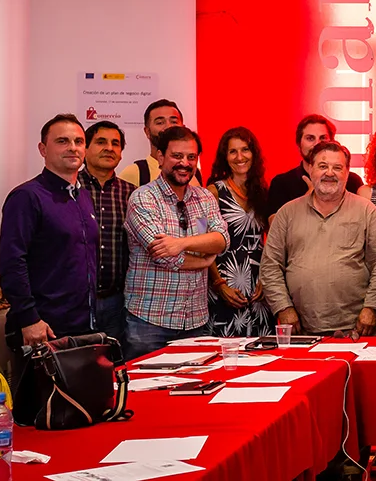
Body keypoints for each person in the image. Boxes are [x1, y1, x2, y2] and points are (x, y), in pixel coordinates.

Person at [0, 115, 100, 409]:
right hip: (43, 330)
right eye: (62, 141)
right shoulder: (27, 197)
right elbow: (11, 263)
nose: (73, 148)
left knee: (82, 415)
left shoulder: (82, 196)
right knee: (42, 418)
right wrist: (29, 318)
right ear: (43, 149)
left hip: (83, 329)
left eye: (78, 141)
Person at [260, 141, 376, 336]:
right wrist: (283, 308)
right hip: (301, 330)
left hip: (356, 329)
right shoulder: (287, 213)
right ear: (311, 169)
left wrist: (372, 306)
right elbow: (270, 265)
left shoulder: (366, 211)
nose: (330, 173)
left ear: (347, 173)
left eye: (337, 167)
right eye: (323, 166)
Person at [124, 126, 230, 358]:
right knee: (145, 382)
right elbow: (164, 256)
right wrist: (204, 260)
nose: (185, 163)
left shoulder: (204, 197)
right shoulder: (143, 198)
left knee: (195, 382)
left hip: (195, 320)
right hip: (150, 323)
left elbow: (221, 239)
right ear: (161, 157)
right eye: (177, 156)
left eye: (191, 157)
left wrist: (180, 244)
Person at [205, 126, 274, 337]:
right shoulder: (213, 192)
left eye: (245, 150)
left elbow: (272, 240)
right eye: (232, 151)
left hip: (259, 289)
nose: (240, 157)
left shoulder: (262, 191)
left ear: (254, 154)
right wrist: (218, 284)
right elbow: (203, 244)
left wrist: (266, 278)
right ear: (225, 157)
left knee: (262, 349)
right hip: (225, 286)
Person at [80, 120, 137, 351]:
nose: (109, 148)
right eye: (101, 142)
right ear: (85, 149)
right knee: (74, 365)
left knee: (115, 365)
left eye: (116, 144)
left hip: (117, 302)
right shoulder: (70, 188)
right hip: (76, 303)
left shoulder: (133, 194)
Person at [267, 114, 363, 215]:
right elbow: (275, 223)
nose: (317, 143)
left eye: (323, 138)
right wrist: (309, 196)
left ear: (332, 142)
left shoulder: (352, 181)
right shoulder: (281, 183)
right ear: (299, 143)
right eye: (310, 138)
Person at [118, 99, 201, 187]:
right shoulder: (134, 173)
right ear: (147, 132)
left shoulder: (193, 171)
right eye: (160, 123)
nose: (168, 126)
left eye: (174, 122)